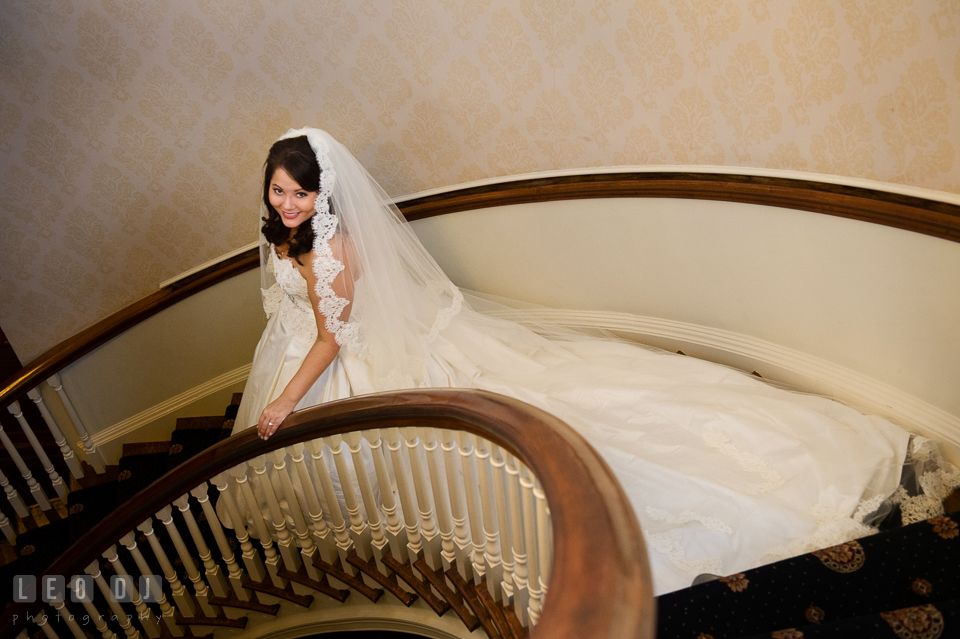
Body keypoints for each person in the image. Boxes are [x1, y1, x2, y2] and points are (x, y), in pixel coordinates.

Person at [231, 127, 958, 595]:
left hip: (336, 358)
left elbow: (332, 338)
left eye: (301, 192)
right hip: (316, 349)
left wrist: (281, 402)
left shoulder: (331, 250)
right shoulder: (285, 236)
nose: (289, 204)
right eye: (279, 191)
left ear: (324, 194)